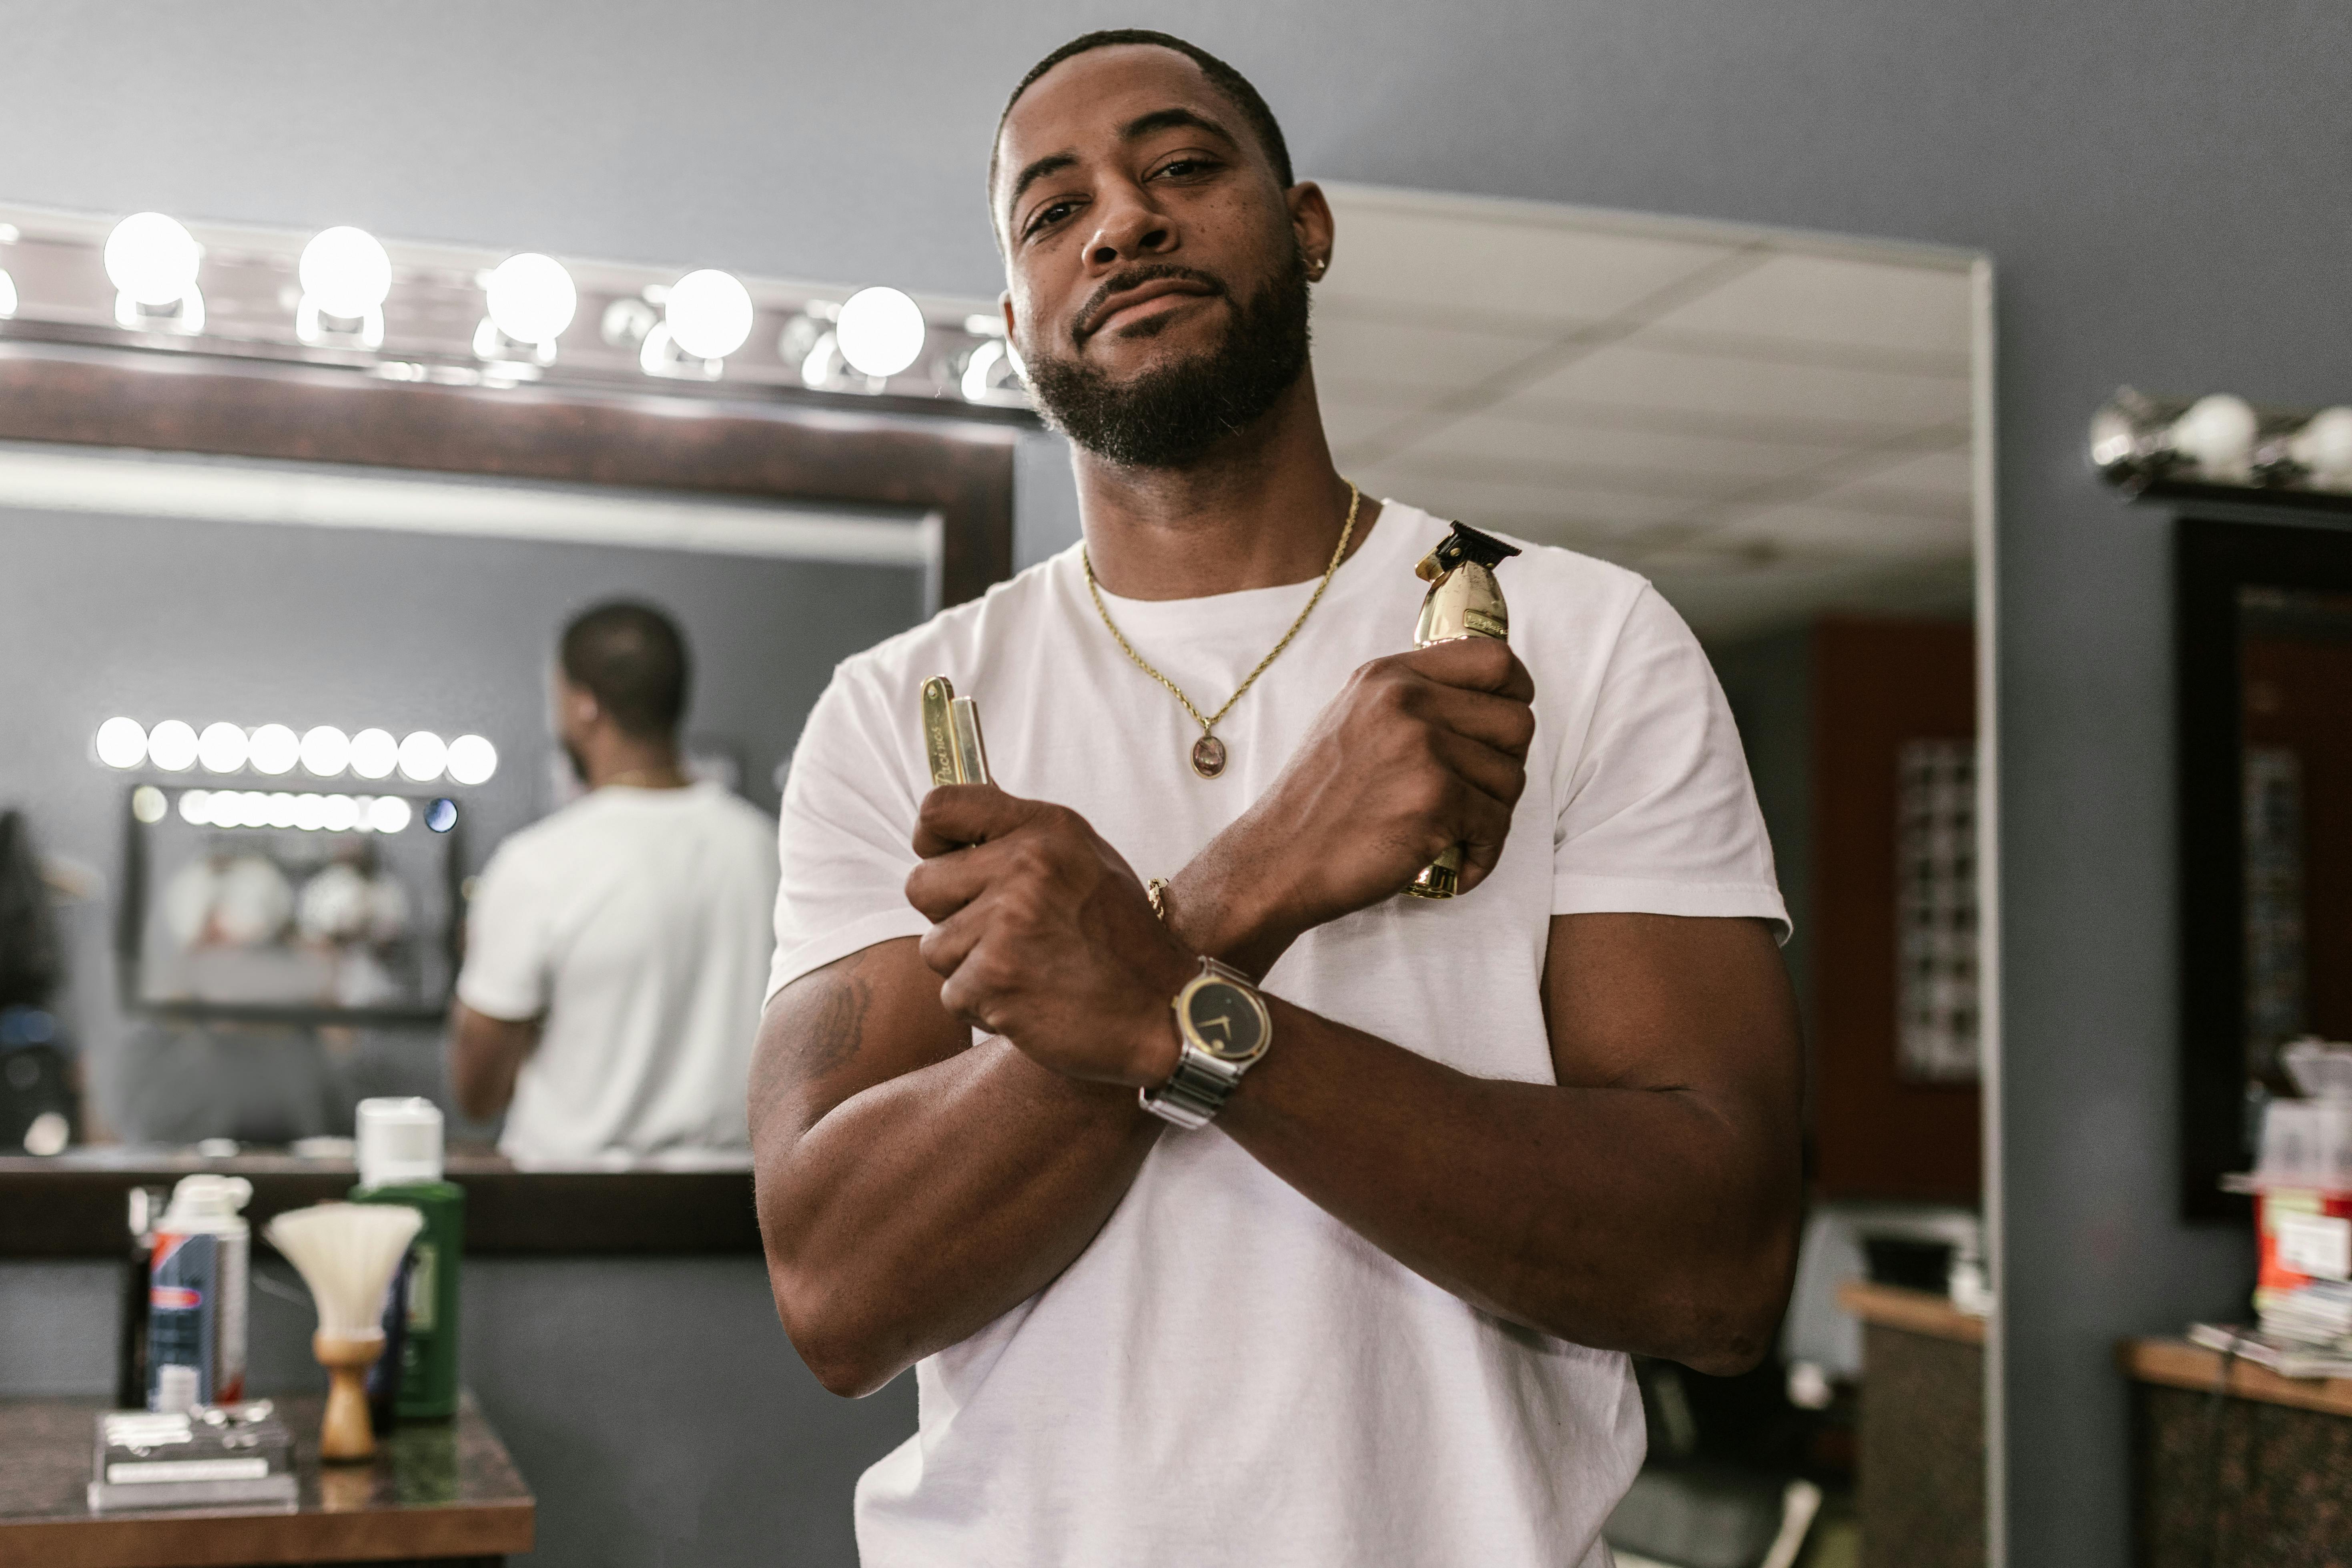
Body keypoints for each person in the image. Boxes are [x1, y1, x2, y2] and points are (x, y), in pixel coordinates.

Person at [751, 29, 1802, 1566]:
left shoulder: (1581, 640)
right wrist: (1251, 884)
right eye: (1052, 212)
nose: (1120, 221)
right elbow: (839, 1294)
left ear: (1303, 227)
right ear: (1014, 318)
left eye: (1180, 166)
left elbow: (1714, 1267)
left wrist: (1163, 1008)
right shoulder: (901, 712)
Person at [451, 601, 778, 1163]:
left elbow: (478, 1093)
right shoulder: (770, 850)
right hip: (742, 1213)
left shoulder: (539, 863)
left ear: (582, 707)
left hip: (572, 1213)